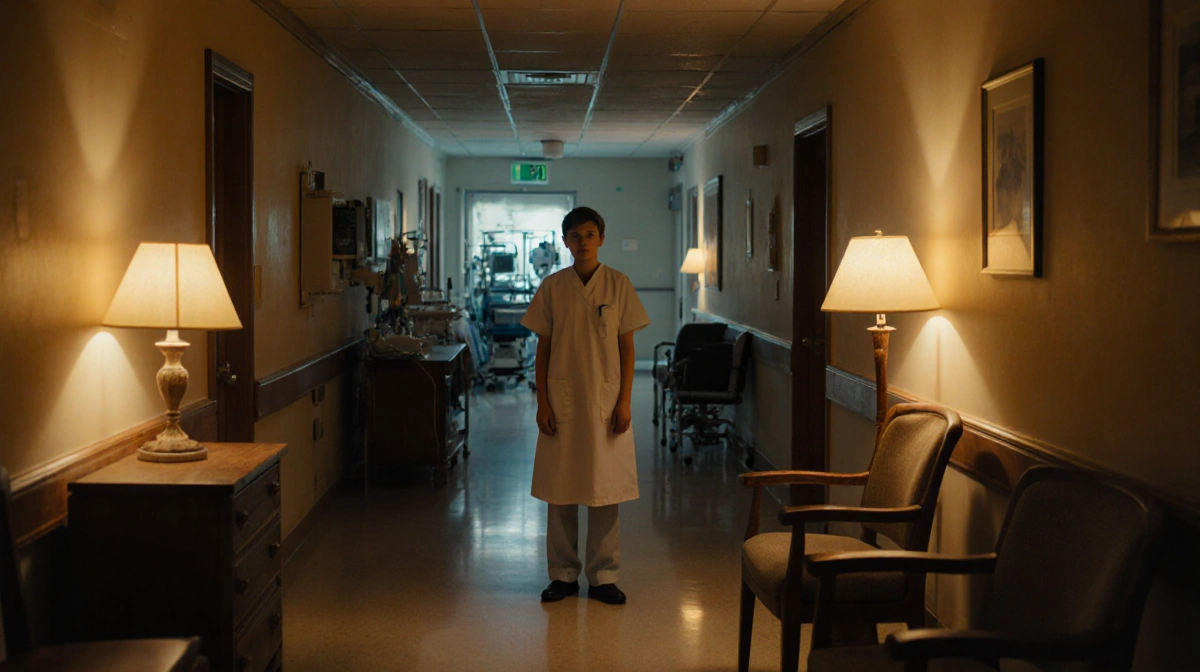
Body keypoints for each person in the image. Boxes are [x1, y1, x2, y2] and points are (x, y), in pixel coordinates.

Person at [520, 206, 650, 606]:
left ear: (602, 238)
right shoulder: (553, 287)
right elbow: (543, 348)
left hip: (606, 401)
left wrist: (625, 399)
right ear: (565, 242)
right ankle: (562, 575)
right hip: (562, 401)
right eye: (574, 236)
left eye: (590, 234)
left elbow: (627, 348)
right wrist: (542, 401)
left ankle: (604, 576)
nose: (582, 242)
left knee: (605, 490)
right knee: (560, 491)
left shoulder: (618, 284)